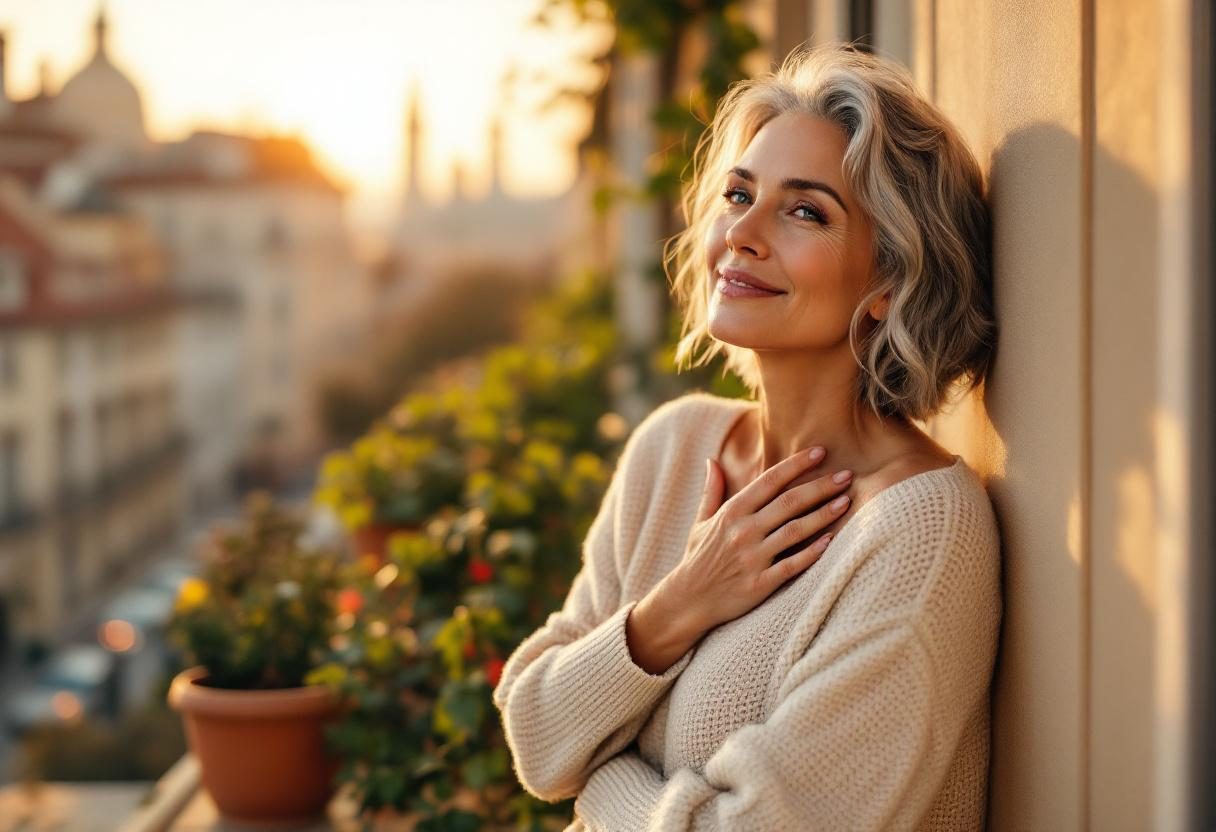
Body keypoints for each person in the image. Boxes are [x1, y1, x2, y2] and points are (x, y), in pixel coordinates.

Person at [493, 41, 1001, 831]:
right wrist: (674, 608)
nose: (743, 233)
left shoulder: (921, 534)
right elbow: (535, 736)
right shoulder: (674, 447)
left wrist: (600, 783)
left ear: (887, 284)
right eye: (738, 194)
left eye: (806, 211)